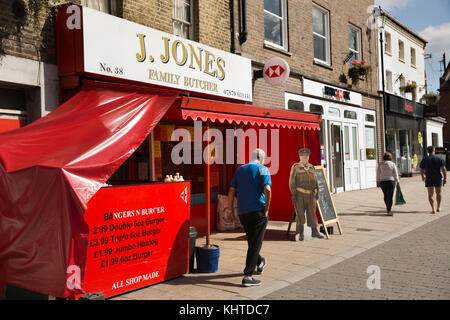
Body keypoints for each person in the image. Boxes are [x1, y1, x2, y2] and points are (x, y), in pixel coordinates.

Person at [227, 149, 271, 287]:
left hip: (243, 211)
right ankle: (248, 276)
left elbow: (231, 190)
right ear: (261, 158)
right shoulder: (263, 169)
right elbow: (268, 189)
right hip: (258, 211)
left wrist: (230, 209)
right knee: (256, 243)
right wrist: (267, 209)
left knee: (252, 241)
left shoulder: (240, 170)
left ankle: (260, 261)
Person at [289, 148, 324, 241]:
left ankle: (314, 232)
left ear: (308, 157)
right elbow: (292, 181)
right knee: (300, 215)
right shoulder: (295, 167)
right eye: (303, 156)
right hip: (300, 195)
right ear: (300, 157)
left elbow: (316, 181)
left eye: (306, 156)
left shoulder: (312, 167)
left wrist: (317, 192)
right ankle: (301, 233)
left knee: (312, 214)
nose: (304, 158)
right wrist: (294, 194)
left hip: (311, 195)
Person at [419, 146, 447, 213]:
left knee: (430, 194)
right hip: (438, 177)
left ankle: (433, 209)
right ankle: (438, 207)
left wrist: (422, 176)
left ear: (428, 151)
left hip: (429, 178)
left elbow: (421, 169)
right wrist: (445, 178)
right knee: (439, 193)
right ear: (434, 150)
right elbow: (444, 169)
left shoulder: (425, 159)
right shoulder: (439, 158)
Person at [376, 152, 399, 216]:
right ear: (390, 157)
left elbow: (378, 174)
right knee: (390, 196)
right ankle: (389, 210)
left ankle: (387, 208)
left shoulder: (380, 164)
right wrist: (398, 182)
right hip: (391, 181)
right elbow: (395, 174)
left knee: (385, 195)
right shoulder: (392, 164)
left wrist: (378, 182)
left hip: (383, 182)